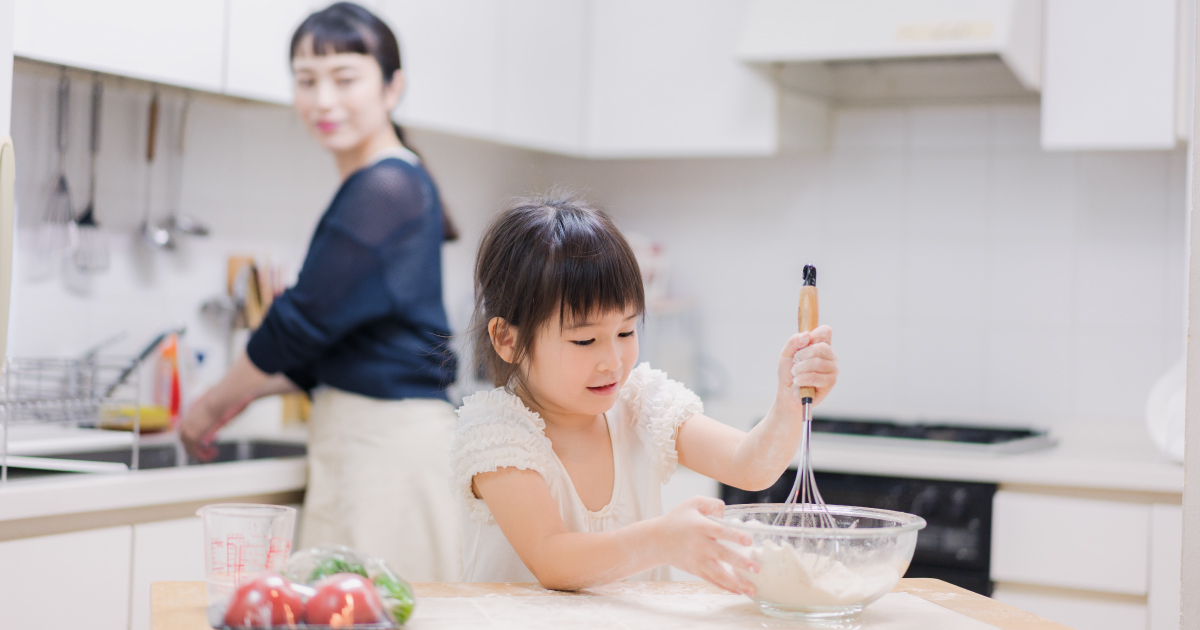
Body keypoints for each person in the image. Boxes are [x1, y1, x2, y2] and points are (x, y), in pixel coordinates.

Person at [180, 2, 462, 581]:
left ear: (392, 86)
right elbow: (343, 343)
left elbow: (297, 324)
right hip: (371, 442)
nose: (322, 100)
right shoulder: (389, 182)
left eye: (344, 78)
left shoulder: (384, 185)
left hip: (387, 454)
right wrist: (244, 395)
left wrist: (208, 407)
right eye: (306, 81)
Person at [449, 192, 839, 592]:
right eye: (585, 341)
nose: (613, 361)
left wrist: (789, 402)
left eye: (626, 331)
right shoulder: (496, 433)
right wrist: (660, 540)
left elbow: (750, 466)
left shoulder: (639, 402)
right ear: (507, 339)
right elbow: (552, 558)